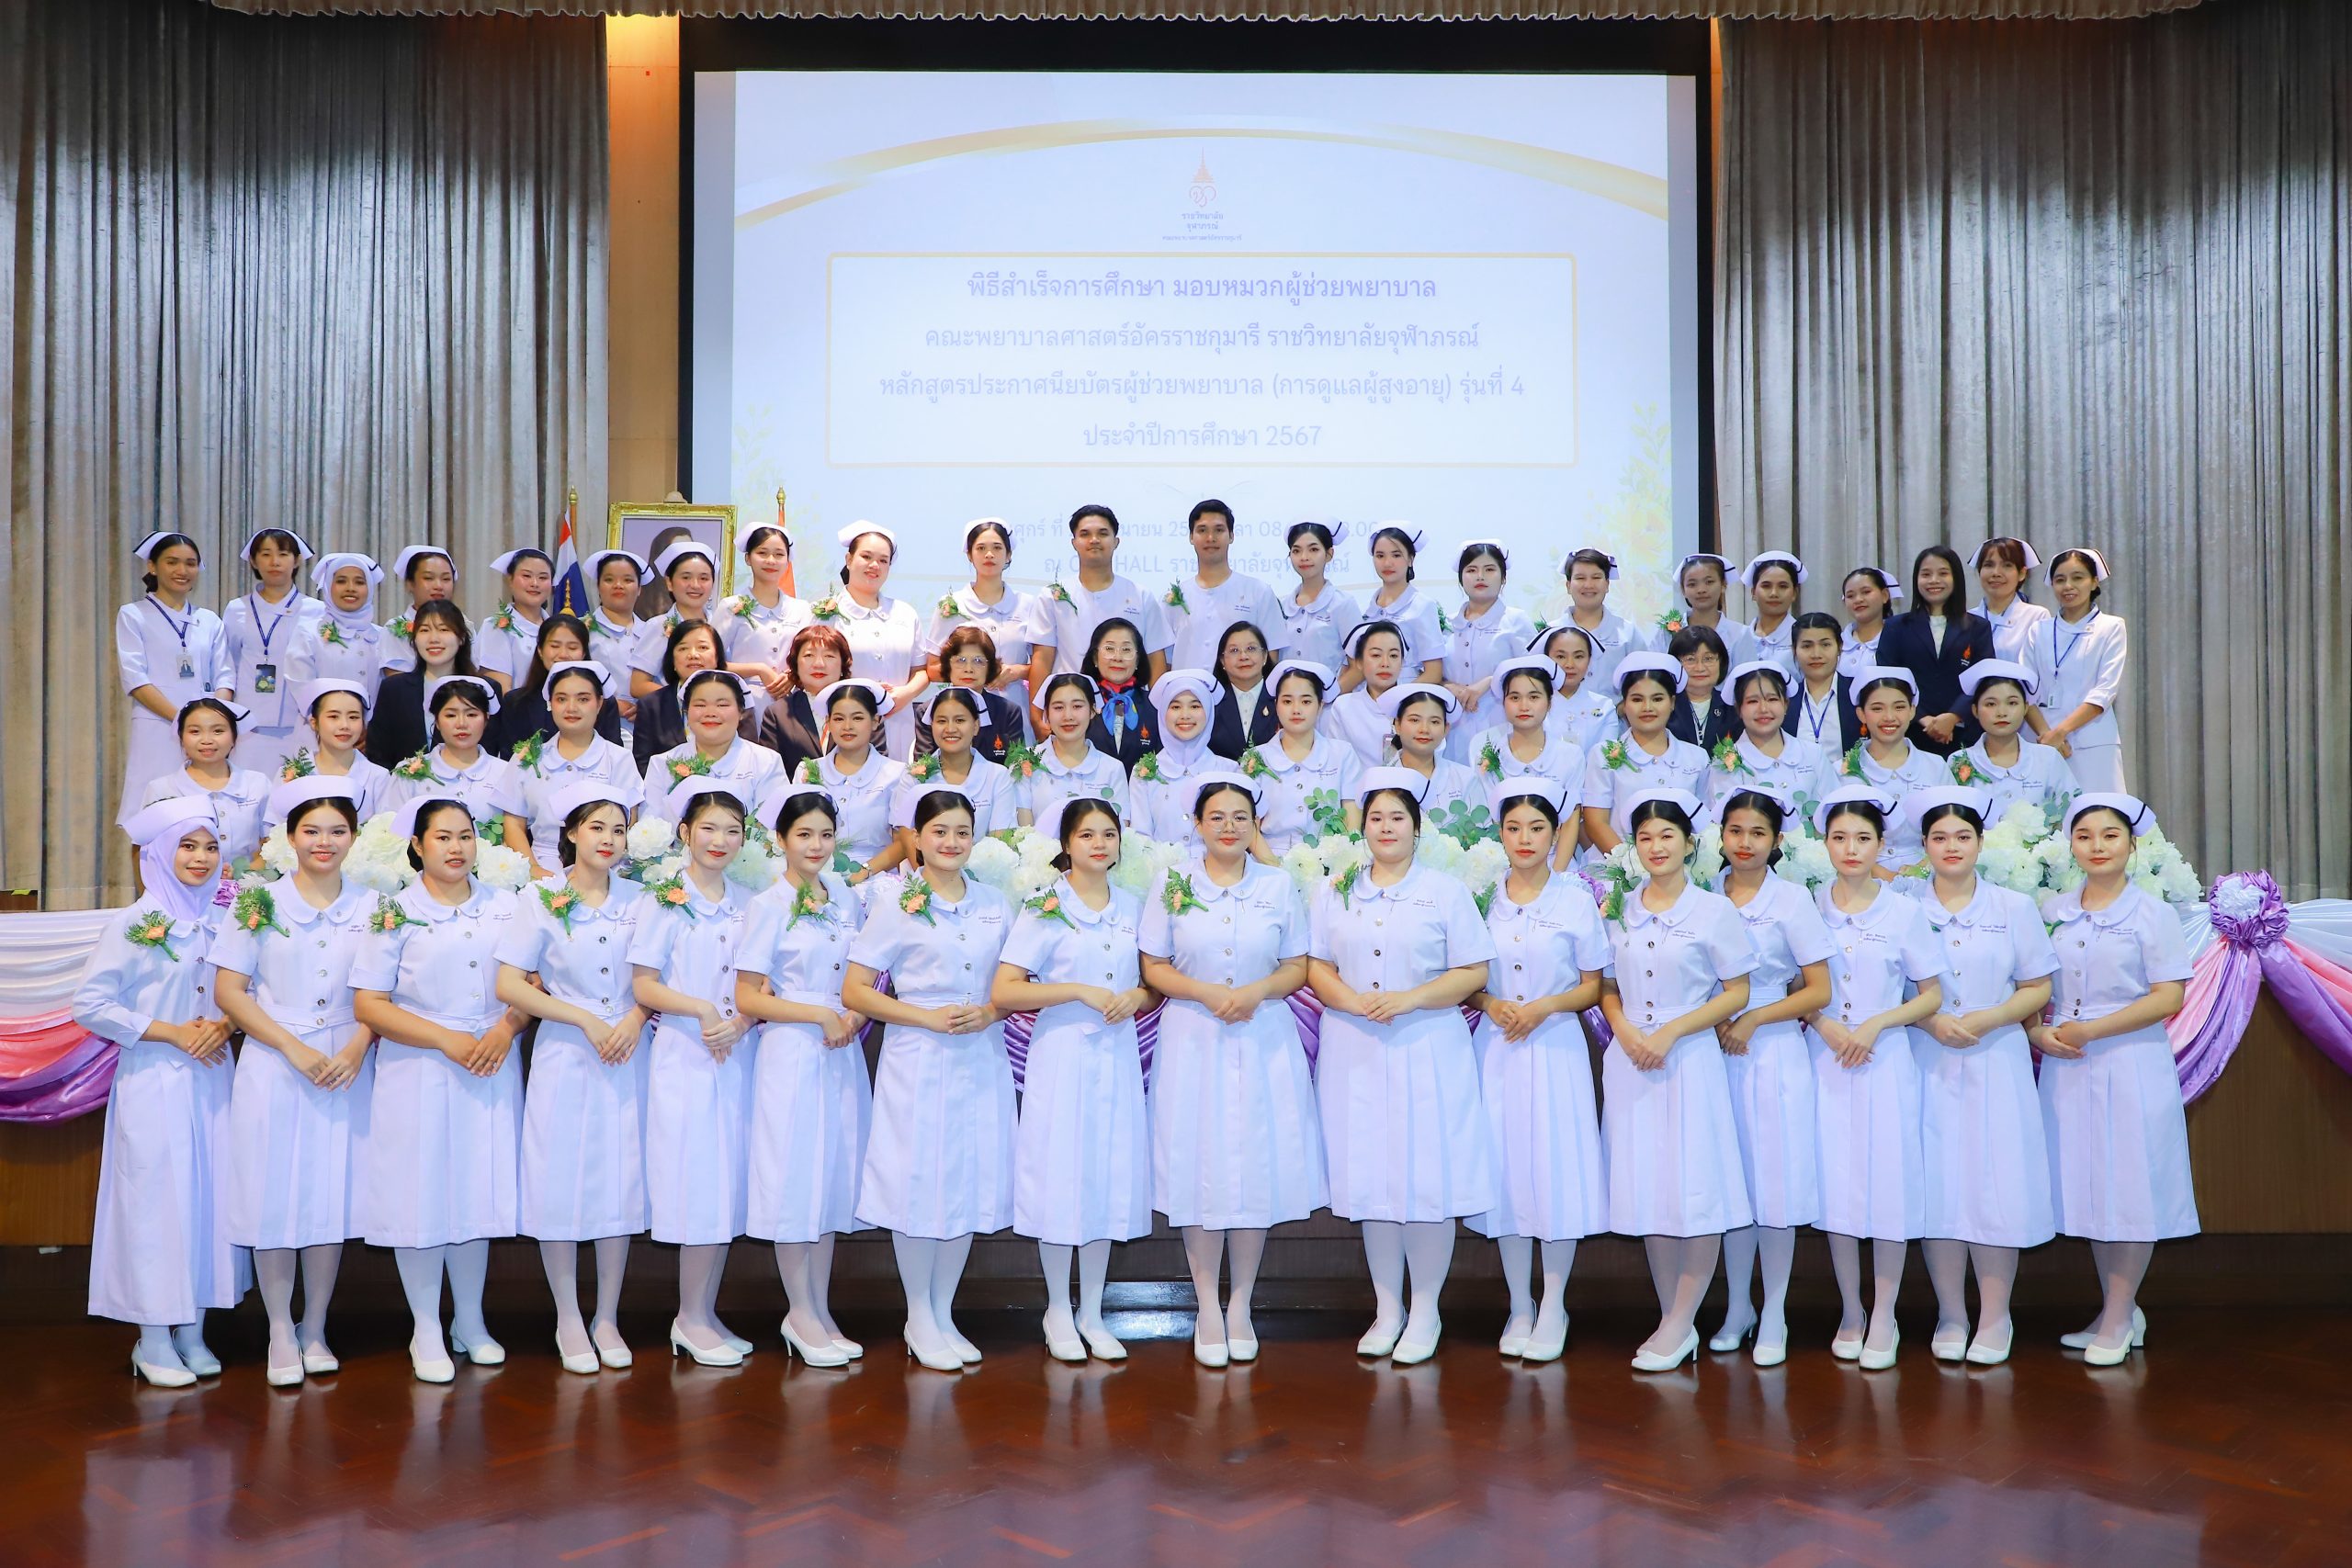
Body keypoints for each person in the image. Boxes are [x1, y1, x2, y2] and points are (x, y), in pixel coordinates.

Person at [1307, 769, 1498, 1365]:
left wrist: (1409, 999)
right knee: (1372, 1175)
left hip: (1427, 1043)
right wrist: (1352, 1002)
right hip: (1356, 1045)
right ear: (1362, 827)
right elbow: (1316, 965)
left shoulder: (1444, 891)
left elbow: (1474, 971)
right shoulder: (1335, 890)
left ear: (1418, 828)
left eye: (1398, 818)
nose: (1386, 828)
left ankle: (1426, 1309)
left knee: (1426, 1178)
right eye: (1376, 818)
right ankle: (1387, 1308)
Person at [1138, 773, 1320, 1368]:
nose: (1228, 826)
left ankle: (1240, 1302)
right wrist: (1207, 992)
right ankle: (1206, 1307)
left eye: (1241, 816)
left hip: (1262, 1031)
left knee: (1252, 1165)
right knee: (1200, 1166)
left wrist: (1256, 991)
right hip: (1194, 1034)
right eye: (1216, 816)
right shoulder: (1172, 882)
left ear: (1257, 824)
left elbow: (1297, 964)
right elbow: (1153, 964)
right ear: (1196, 824)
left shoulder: (1277, 884)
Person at [350, 797, 530, 1382]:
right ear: (417, 846)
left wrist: (506, 1029)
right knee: (420, 1193)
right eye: (443, 837)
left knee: (476, 1190)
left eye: (466, 836)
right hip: (420, 1066)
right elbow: (370, 1003)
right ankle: (426, 1325)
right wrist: (444, 1039)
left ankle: (470, 1320)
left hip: (490, 1060)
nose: (456, 848)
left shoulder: (508, 906)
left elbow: (530, 984)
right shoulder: (394, 912)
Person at [76, 796, 246, 1386]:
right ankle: (151, 1339)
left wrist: (227, 1024)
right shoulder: (134, 924)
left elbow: (251, 990)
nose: (201, 858)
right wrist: (171, 1031)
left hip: (213, 1077)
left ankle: (194, 1330)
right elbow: (90, 1004)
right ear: (158, 853)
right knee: (156, 1205)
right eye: (187, 846)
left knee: (210, 1200)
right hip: (153, 1078)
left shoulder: (228, 917)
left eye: (210, 846)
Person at [848, 789, 1017, 1372]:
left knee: (967, 1177)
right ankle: (917, 1312)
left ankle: (943, 1312)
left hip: (981, 1052)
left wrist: (991, 1012)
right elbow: (856, 990)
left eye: (962, 832)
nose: (951, 842)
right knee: (918, 1180)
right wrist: (923, 1016)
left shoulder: (995, 902)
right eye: (939, 831)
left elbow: (1016, 983)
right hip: (918, 1055)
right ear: (916, 839)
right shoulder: (897, 904)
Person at [215, 777, 377, 1386]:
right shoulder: (257, 901)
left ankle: (316, 1326)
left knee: (328, 1193)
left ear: (354, 838)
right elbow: (229, 991)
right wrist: (291, 1047)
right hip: (275, 1061)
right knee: (273, 1193)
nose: (324, 842)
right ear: (290, 836)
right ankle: (280, 1327)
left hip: (345, 1063)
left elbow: (384, 992)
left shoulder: (374, 905)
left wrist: (358, 1045)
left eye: (337, 831)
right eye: (311, 831)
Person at [492, 782, 652, 1375]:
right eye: (597, 827)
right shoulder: (540, 897)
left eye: (619, 829)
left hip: (628, 1049)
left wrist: (634, 1017)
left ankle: (607, 1316)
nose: (609, 839)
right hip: (566, 1048)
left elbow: (659, 975)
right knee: (559, 1180)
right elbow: (509, 984)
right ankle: (567, 1316)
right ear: (571, 833)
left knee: (620, 1180)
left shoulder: (643, 897)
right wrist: (583, 1017)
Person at [1596, 788, 1758, 1372]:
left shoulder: (1713, 911)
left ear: (1689, 844)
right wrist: (1625, 1033)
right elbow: (1606, 987)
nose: (1656, 846)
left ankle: (1680, 1320)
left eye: (1667, 835)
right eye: (1645, 838)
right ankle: (1674, 1322)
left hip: (1687, 1058)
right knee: (1651, 1190)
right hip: (1631, 1060)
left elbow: (1737, 992)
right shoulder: (1619, 907)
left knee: (1697, 1188)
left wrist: (1670, 1033)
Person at [2030, 794, 2193, 1366]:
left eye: (2110, 835)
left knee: (2130, 1187)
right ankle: (2117, 1309)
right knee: (2090, 1189)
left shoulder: (2152, 913)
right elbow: (2030, 984)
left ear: (2131, 844)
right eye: (2085, 836)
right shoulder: (2051, 909)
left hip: (2129, 1060)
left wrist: (2092, 1030)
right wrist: (2036, 1031)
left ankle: (2120, 1315)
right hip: (2068, 1064)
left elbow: (2169, 997)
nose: (2097, 847)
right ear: (2070, 845)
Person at [995, 799, 1155, 1362]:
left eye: (1109, 834)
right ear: (1066, 843)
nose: (1099, 844)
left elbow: (1153, 982)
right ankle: (1058, 1309)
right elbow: (1006, 989)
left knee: (1106, 1175)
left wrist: (1138, 996)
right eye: (1087, 835)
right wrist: (1077, 990)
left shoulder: (1135, 906)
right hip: (1061, 1053)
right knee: (1060, 1175)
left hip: (1116, 1053)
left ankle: (1093, 1311)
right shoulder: (1045, 905)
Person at [1911, 786, 2060, 1367]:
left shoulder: (2012, 907)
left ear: (1980, 843)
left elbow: (2038, 985)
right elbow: (1889, 988)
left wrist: (1990, 1018)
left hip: (1996, 1057)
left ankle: (1996, 1317)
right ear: (1924, 845)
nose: (1951, 847)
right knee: (1939, 1186)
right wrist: (1932, 1022)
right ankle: (1951, 1313)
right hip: (1926, 1057)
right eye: (1939, 837)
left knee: (1996, 1184)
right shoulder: (1903, 908)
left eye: (1963, 836)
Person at [1467, 778, 1608, 1364]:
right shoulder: (1480, 897)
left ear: (1555, 835)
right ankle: (1519, 1305)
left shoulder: (1575, 899)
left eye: (1537, 828)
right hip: (1497, 1046)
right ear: (1499, 833)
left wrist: (1544, 1007)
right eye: (1513, 827)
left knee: (1556, 1171)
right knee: (1505, 1170)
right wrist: (1488, 1002)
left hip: (1555, 1047)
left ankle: (1553, 1304)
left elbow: (1594, 985)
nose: (1524, 838)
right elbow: (1465, 976)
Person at [1808, 785, 1946, 1369]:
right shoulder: (1808, 905)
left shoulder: (1904, 911)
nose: (1851, 849)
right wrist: (1823, 1023)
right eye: (1839, 838)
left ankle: (1885, 1313)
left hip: (1885, 1060)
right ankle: (1851, 1310)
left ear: (1881, 844)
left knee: (1888, 1186)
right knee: (1836, 1186)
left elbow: (1931, 995)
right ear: (1824, 844)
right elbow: (1793, 985)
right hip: (1825, 1060)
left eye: (1863, 838)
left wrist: (1877, 1023)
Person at [736, 787, 873, 1369]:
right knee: (795, 1178)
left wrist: (854, 1015)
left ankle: (818, 1308)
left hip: (841, 1048)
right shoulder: (767, 905)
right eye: (803, 835)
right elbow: (747, 996)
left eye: (825, 834)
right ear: (780, 841)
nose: (816, 846)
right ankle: (798, 1311)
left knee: (832, 1177)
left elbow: (865, 977)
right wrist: (818, 1014)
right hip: (792, 1050)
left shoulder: (846, 896)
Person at [629, 779, 760, 1366]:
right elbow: (645, 984)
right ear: (684, 833)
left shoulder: (751, 901)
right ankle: (687, 1316)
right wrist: (705, 1010)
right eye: (708, 828)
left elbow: (762, 982)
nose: (719, 840)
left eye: (732, 831)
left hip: (737, 1053)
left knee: (727, 1182)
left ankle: (704, 1313)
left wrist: (742, 1021)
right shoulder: (664, 899)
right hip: (685, 1053)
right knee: (695, 1183)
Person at [1706, 786, 1834, 1368]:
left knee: (1775, 1187)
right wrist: (1714, 1019)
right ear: (1720, 837)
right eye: (1735, 831)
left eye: (1758, 833)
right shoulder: (1704, 895)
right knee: (1732, 1184)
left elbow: (1818, 989)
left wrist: (1755, 1017)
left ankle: (1776, 1310)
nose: (1745, 842)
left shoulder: (1792, 900)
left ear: (1777, 841)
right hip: (1714, 1048)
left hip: (1775, 1048)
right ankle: (1738, 1307)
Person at [117, 532, 232, 828]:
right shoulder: (134, 615)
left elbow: (225, 674)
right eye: (172, 562)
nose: (182, 570)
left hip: (204, 735)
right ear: (152, 566)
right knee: (149, 816)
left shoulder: (209, 620)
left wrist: (211, 723)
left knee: (202, 816)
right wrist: (182, 721)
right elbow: (135, 678)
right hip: (157, 728)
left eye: (190, 563)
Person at [503, 662, 642, 881]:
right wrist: (532, 869)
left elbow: (629, 822)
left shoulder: (619, 759)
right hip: (541, 868)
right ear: (550, 704)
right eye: (561, 699)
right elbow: (513, 823)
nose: (571, 708)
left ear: (599, 704)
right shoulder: (527, 758)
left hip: (605, 868)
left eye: (583, 699)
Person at [924, 519, 1050, 738]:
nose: (989, 555)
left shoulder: (1028, 604)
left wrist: (1017, 671)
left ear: (1008, 555)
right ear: (969, 555)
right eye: (981, 548)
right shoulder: (951, 606)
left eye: (997, 548)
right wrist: (973, 672)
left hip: (1014, 711)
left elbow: (1044, 664)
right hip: (961, 715)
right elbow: (933, 669)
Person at [1579, 656, 1711, 857]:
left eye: (1657, 699)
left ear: (1672, 702)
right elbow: (1596, 823)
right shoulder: (1603, 755)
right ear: (1624, 704)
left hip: (1681, 866)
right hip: (1615, 866)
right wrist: (1631, 864)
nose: (1647, 707)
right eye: (1637, 699)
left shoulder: (1697, 757)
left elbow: (1704, 824)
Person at [2024, 547, 2132, 793]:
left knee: (2099, 810)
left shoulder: (2111, 627)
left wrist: (2062, 731)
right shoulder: (2038, 630)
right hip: (2042, 741)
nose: (2068, 586)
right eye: (2060, 580)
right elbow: (2024, 689)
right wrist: (2047, 735)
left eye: (2078, 578)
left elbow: (2104, 691)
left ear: (2094, 582)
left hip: (2093, 741)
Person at [817, 523, 928, 757]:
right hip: (846, 724)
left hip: (897, 722)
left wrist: (905, 694)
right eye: (866, 557)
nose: (874, 565)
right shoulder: (825, 615)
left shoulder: (905, 613)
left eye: (883, 560)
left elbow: (921, 671)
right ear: (849, 559)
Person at [1035, 503, 1173, 689]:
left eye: (1103, 533)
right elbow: (1042, 658)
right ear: (1074, 543)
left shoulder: (1141, 596)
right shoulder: (1052, 596)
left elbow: (1155, 659)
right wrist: (1037, 708)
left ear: (1116, 542)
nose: (1094, 540)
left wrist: (1155, 704)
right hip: (1069, 701)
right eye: (1085, 534)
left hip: (1128, 702)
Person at [1875, 546, 1995, 755]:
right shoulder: (1896, 627)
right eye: (1926, 574)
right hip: (1910, 733)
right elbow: (1888, 677)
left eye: (1943, 573)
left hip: (1964, 734)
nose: (1934, 580)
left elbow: (1983, 679)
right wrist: (1923, 717)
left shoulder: (1978, 627)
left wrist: (1953, 716)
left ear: (1956, 578)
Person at [218, 526, 319, 773]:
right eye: (266, 554)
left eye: (283, 554)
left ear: (297, 560)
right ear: (253, 561)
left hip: (300, 724)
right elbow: (228, 665)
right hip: (248, 727)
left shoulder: (316, 610)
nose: (275, 562)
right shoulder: (236, 608)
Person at [1468, 657, 1585, 867]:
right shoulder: (1485, 755)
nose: (1524, 706)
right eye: (1514, 697)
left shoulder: (1570, 755)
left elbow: (1570, 821)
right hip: (1500, 865)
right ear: (1503, 703)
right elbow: (1490, 820)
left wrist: (1556, 876)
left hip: (1557, 864)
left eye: (1534, 697)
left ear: (1549, 702)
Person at [790, 679, 909, 883]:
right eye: (838, 718)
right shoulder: (807, 770)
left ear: (875, 721)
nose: (847, 727)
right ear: (828, 722)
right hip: (816, 875)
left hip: (877, 879)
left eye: (857, 718)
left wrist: (862, 873)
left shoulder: (897, 774)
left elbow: (903, 842)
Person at [1241, 660, 1362, 856]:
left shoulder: (1342, 754)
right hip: (1268, 864)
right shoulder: (1254, 759)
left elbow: (1352, 823)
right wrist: (1273, 867)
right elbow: (1248, 825)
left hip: (1329, 862)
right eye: (1287, 701)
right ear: (1276, 705)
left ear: (1320, 706)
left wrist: (1337, 865)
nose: (1296, 709)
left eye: (1306, 701)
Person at [141, 698, 270, 879]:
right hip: (184, 892)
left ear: (234, 737)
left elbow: (273, 847)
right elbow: (146, 855)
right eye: (195, 731)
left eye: (218, 731)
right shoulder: (161, 789)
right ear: (181, 738)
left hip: (249, 891)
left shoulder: (258, 784)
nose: (207, 740)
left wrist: (243, 875)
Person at [1834, 668, 1949, 873]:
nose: (1889, 717)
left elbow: (1953, 828)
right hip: (1859, 875)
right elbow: (1833, 836)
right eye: (1877, 708)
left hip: (1930, 874)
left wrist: (1920, 871)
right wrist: (1879, 874)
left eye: (1899, 707)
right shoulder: (1842, 771)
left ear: (1912, 710)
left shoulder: (1936, 766)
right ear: (1861, 714)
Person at [640, 669, 785, 825]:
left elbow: (772, 826)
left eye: (722, 705)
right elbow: (650, 826)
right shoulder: (662, 763)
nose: (710, 713)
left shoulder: (766, 762)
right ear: (686, 712)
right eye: (700, 705)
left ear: (741, 712)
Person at [379, 675, 522, 831]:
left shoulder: (506, 772)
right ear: (437, 721)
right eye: (451, 715)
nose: (462, 724)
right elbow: (392, 831)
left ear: (486, 719)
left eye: (471, 715)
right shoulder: (408, 772)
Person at [1164, 499, 1291, 674]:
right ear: (1191, 537)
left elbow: (1272, 655)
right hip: (1186, 690)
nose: (1211, 538)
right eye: (1202, 530)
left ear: (1231, 536)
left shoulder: (1259, 592)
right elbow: (1165, 661)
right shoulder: (1172, 599)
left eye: (1219, 530)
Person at [892, 687, 1019, 861]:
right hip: (925, 874)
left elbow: (1000, 842)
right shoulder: (914, 777)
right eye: (941, 721)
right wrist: (927, 877)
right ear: (932, 725)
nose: (950, 729)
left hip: (984, 872)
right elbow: (906, 839)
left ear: (976, 726)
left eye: (960, 720)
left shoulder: (997, 775)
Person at [1439, 540, 1536, 760]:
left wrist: (1490, 681)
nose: (1480, 576)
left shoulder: (1516, 620)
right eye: (1471, 570)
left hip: (1502, 724)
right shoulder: (1447, 624)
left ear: (1503, 578)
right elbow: (1432, 671)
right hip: (1453, 727)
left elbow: (1534, 676)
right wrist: (1449, 686)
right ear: (1461, 578)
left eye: (1489, 569)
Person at [1951, 661, 2077, 828]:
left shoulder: (2048, 758)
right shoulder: (1960, 761)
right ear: (1975, 710)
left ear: (2025, 708)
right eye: (1990, 704)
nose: (2001, 712)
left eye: (2012, 703)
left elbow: (2071, 813)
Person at [1708, 663, 1831, 824]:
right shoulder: (1726, 763)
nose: (1763, 709)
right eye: (1753, 701)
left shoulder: (1813, 754)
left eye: (1772, 699)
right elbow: (1722, 823)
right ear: (1739, 709)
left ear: (1785, 704)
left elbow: (1832, 813)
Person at [365, 599, 480, 767]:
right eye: (425, 630)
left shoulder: (483, 689)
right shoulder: (394, 689)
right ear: (414, 639)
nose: (434, 639)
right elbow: (378, 754)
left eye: (443, 629)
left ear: (461, 638)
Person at [492, 614, 625, 757]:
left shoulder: (604, 702)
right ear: (540, 650)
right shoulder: (516, 702)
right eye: (555, 646)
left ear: (583, 653)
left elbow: (614, 755)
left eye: (572, 648)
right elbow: (509, 758)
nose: (563, 654)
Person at [1018, 672, 1129, 831]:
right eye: (1058, 707)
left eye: (1077, 706)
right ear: (1047, 713)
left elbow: (1120, 831)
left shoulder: (1113, 768)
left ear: (1092, 710)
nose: (1068, 716)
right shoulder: (1025, 762)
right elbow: (1022, 832)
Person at [273, 680, 390, 823]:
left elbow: (385, 830)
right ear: (314, 723)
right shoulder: (288, 774)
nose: (344, 725)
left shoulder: (378, 777)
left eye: (353, 717)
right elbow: (274, 828)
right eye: (334, 717)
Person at [718, 524, 811, 705]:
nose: (771, 560)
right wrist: (758, 669)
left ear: (787, 561)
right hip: (744, 702)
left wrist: (794, 675)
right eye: (762, 553)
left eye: (779, 554)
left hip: (792, 702)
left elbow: (812, 656)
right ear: (748, 558)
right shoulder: (730, 607)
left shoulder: (801, 609)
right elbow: (711, 662)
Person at [1126, 669, 1222, 843]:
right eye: (1175, 707)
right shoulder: (1144, 773)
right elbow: (1141, 837)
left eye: (1195, 706)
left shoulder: (1229, 771)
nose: (1185, 715)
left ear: (1208, 712)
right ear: (1163, 713)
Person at [285, 551, 390, 709]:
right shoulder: (308, 633)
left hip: (376, 724)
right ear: (328, 586)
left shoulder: (383, 636)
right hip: (321, 723)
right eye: (341, 581)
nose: (350, 588)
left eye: (359, 582)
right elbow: (302, 688)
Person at [633, 621, 742, 771]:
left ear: (717, 657)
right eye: (683, 648)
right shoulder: (651, 705)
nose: (693, 655)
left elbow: (747, 752)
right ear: (672, 659)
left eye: (702, 647)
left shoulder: (736, 697)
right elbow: (642, 764)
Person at [1347, 525, 1444, 687]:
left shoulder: (1423, 606)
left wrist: (1399, 698)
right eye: (1380, 556)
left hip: (1406, 695)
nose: (1387, 563)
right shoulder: (1366, 610)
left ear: (1411, 559)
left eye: (1396, 555)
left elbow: (1434, 673)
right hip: (1366, 696)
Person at [1379, 683, 1486, 831]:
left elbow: (1482, 835)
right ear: (1397, 725)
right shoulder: (1379, 781)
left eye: (1434, 722)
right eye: (1414, 720)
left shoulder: (1466, 779)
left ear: (1446, 729)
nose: (1424, 729)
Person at [627, 540, 722, 701]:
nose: (695, 585)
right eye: (686, 577)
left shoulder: (719, 623)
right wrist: (686, 698)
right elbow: (638, 685)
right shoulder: (659, 626)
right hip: (672, 712)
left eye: (704, 578)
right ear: (669, 583)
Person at [914, 625, 1024, 762]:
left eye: (978, 661)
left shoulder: (1008, 712)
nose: (969, 669)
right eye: (961, 660)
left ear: (989, 667)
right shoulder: (926, 711)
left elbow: (1016, 766)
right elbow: (923, 767)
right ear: (948, 665)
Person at [1277, 517, 1363, 674]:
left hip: (1331, 690)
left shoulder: (1343, 604)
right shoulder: (1281, 607)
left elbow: (1359, 666)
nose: (1304, 557)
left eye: (1313, 549)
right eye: (1296, 551)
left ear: (1329, 554)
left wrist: (1330, 690)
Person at [1556, 547, 1643, 693]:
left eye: (1596, 578)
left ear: (1607, 584)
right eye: (1580, 578)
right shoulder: (1552, 632)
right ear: (1568, 586)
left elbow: (1643, 682)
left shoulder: (1628, 633)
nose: (1588, 585)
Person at [582, 547, 648, 739]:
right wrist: (610, 705)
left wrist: (647, 707)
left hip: (648, 730)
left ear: (639, 588)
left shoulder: (654, 632)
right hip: (597, 728)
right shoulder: (581, 631)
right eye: (609, 579)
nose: (618, 585)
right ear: (598, 587)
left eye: (628, 580)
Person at [1326, 620, 1410, 767]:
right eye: (1376, 655)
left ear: (1402, 662)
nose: (1385, 663)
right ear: (1359, 662)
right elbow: (1336, 762)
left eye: (1393, 656)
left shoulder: (1417, 705)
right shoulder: (1344, 707)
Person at [472, 547, 557, 692]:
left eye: (543, 578)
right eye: (527, 576)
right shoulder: (496, 627)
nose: (535, 583)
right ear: (510, 580)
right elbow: (501, 691)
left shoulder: (557, 628)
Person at [1654, 552, 1758, 670]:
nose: (1701, 590)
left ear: (1723, 585)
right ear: (1683, 590)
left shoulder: (1740, 634)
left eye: (1709, 582)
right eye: (1692, 584)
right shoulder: (1667, 633)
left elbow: (1749, 677)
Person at [1080, 617, 1158, 773]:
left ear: (1137, 660)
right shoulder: (1079, 704)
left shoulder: (1156, 706)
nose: (1117, 657)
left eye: (1126, 650)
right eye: (1109, 649)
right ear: (1095, 658)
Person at [1784, 611, 1861, 754]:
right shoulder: (1786, 699)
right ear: (1794, 650)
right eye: (1807, 646)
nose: (1816, 654)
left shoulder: (1858, 695)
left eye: (1825, 645)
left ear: (1840, 647)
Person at [1532, 624, 1616, 754]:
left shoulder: (1604, 707)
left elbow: (1606, 759)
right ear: (1546, 659)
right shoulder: (1532, 704)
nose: (1570, 664)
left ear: (1589, 660)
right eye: (1561, 656)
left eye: (1578, 656)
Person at [1970, 537, 2051, 666]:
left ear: (2022, 573)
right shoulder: (1965, 618)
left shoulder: (2036, 617)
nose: (1996, 573)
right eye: (1988, 565)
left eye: (2007, 565)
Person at [379, 545, 458, 675]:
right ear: (410, 584)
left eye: (446, 579)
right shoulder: (394, 629)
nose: (438, 586)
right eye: (428, 578)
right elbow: (397, 682)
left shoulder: (464, 625)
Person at [1206, 620, 1279, 760]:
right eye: (1234, 650)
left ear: (1264, 656)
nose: (1243, 657)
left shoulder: (1282, 699)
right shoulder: (1211, 703)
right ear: (1222, 661)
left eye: (1251, 649)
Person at [1663, 626, 1740, 753]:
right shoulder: (1665, 706)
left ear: (1721, 662)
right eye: (1690, 659)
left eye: (1708, 659)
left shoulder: (1732, 707)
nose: (1700, 668)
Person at [1740, 551, 1805, 678]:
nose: (1774, 593)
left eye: (1783, 586)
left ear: (1794, 593)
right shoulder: (1740, 637)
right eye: (1766, 586)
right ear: (1753, 592)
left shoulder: (1803, 637)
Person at [1838, 566, 1902, 678]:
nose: (1858, 600)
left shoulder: (1901, 640)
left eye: (1866, 592)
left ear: (1885, 595)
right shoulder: (1837, 643)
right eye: (1850, 596)